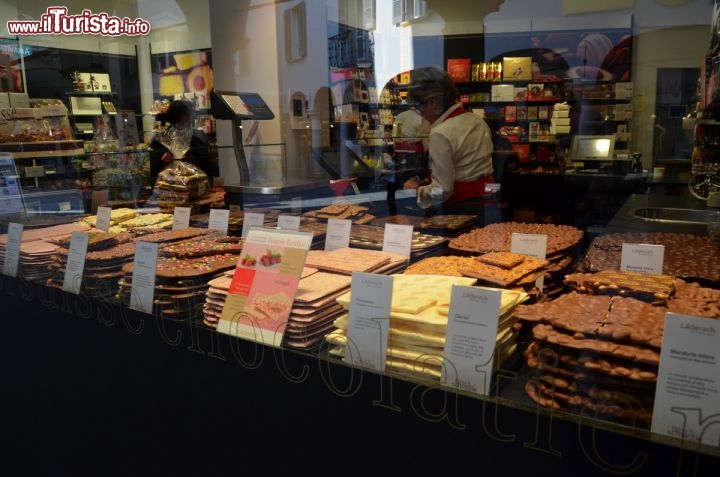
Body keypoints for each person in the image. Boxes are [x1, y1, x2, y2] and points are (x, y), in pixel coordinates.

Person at [402, 65, 494, 217]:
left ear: (432, 102)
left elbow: (442, 190)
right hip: (487, 204)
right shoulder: (477, 121)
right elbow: (466, 167)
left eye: (420, 108)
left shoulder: (440, 133)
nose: (422, 114)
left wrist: (417, 191)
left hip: (460, 210)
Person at [149, 99, 214, 183]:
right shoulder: (159, 141)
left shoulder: (195, 141)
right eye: (188, 115)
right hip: (169, 189)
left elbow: (206, 170)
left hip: (193, 186)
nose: (191, 118)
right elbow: (154, 174)